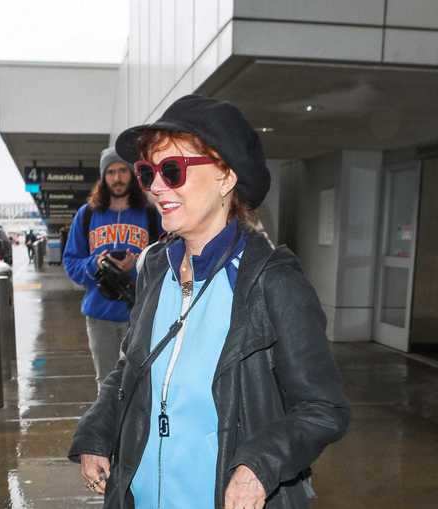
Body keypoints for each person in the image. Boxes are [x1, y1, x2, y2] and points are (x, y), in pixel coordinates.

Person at [68, 95, 350, 509]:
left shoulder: (273, 283)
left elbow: (324, 408)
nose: (156, 187)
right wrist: (97, 430)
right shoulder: (154, 267)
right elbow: (132, 366)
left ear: (225, 177)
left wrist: (259, 465)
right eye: (148, 172)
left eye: (172, 170)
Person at [63, 147, 160, 389]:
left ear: (133, 174)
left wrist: (136, 264)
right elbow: (71, 262)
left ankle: (132, 427)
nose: (117, 178)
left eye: (123, 171)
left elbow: (168, 258)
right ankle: (109, 428)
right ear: (103, 177)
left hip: (140, 314)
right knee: (106, 383)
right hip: (100, 316)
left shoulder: (150, 214)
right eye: (111, 172)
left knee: (138, 382)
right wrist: (95, 264)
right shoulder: (87, 215)